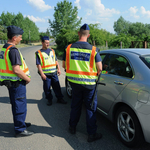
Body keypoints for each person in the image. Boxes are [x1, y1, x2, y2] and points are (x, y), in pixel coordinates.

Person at [62, 23, 103, 142]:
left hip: (74, 83)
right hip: (89, 85)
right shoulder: (93, 50)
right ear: (88, 35)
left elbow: (64, 65)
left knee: (75, 105)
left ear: (78, 33)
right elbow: (99, 68)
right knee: (90, 108)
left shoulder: (68, 48)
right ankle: (91, 134)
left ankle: (72, 127)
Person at [0, 25, 34, 137]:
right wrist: (27, 78)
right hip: (17, 84)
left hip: (11, 84)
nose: (21, 39)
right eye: (20, 37)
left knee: (16, 104)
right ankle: (20, 129)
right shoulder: (13, 50)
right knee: (20, 105)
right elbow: (16, 69)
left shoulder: (4, 48)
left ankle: (20, 123)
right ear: (14, 37)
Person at [35, 36, 67, 106]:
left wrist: (58, 69)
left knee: (57, 87)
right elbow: (38, 65)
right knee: (47, 88)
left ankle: (60, 98)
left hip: (54, 73)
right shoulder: (39, 53)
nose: (48, 44)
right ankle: (49, 99)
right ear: (42, 43)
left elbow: (56, 61)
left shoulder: (52, 51)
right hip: (46, 74)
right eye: (46, 43)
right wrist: (42, 74)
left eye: (48, 43)